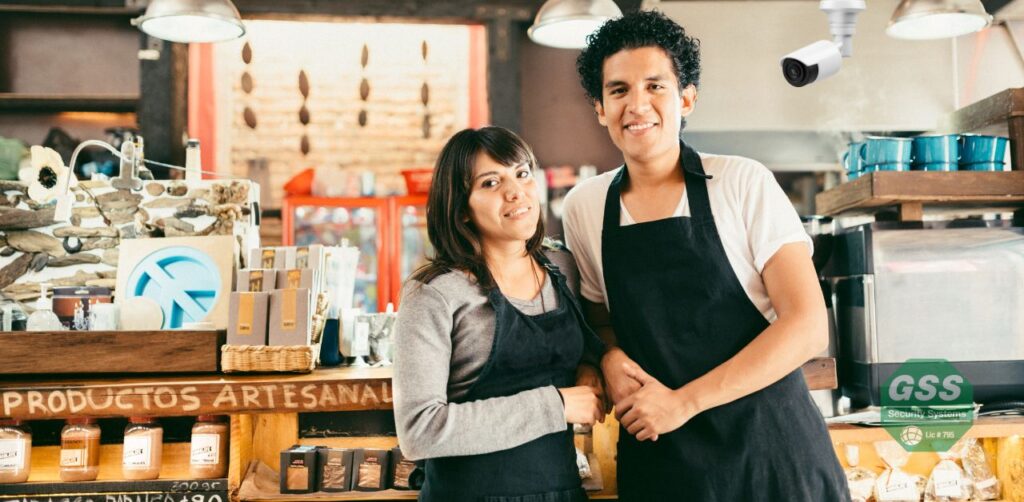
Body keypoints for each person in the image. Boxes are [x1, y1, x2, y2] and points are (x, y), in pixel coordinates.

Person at [562, 10, 850, 501]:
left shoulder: (741, 182)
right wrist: (607, 356)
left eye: (656, 86)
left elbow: (806, 325)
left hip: (772, 458)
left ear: (687, 97)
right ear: (599, 108)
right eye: (618, 90)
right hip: (664, 463)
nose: (638, 105)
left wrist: (683, 402)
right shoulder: (584, 207)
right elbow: (600, 320)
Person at [393, 126, 606, 502]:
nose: (515, 191)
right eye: (491, 183)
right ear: (461, 211)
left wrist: (589, 366)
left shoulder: (562, 267)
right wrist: (555, 405)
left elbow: (587, 342)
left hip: (563, 492)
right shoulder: (435, 294)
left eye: (522, 173)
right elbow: (419, 431)